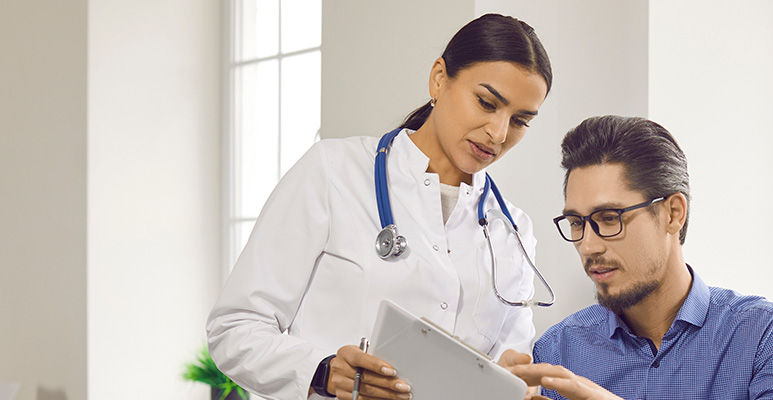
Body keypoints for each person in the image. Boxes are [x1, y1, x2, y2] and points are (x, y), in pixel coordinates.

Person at [206, 13, 553, 400]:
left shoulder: (513, 231)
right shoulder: (333, 171)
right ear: (439, 78)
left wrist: (510, 386)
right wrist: (320, 372)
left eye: (520, 121)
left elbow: (512, 368)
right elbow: (234, 328)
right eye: (487, 103)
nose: (499, 133)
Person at [505, 115, 773, 400]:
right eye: (576, 223)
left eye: (610, 218)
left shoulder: (762, 334)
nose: (588, 246)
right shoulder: (559, 350)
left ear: (673, 214)